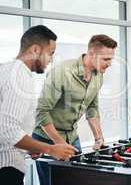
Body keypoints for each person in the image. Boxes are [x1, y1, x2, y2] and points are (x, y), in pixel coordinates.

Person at [32, 34, 117, 185]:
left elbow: (92, 107)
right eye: (106, 59)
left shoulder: (99, 75)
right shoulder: (62, 72)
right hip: (48, 138)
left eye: (111, 59)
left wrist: (99, 138)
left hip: (72, 138)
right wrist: (59, 144)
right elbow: (41, 112)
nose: (110, 63)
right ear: (91, 53)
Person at [0, 25, 76, 185]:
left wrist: (30, 147)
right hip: (6, 169)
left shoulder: (7, 69)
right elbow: (7, 129)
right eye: (51, 53)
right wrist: (49, 148)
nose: (51, 59)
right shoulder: (19, 76)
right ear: (35, 50)